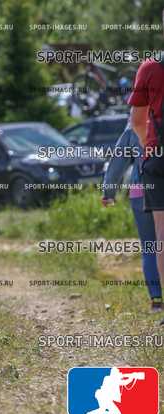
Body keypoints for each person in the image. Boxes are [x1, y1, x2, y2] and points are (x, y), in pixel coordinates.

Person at [102, 127, 162, 318]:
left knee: (150, 246)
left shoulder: (134, 127)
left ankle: (157, 300)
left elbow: (117, 163)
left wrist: (108, 193)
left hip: (139, 189)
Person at [128, 27, 164, 293]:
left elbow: (138, 121)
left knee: (162, 234)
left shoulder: (150, 67)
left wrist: (150, 146)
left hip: (158, 158)